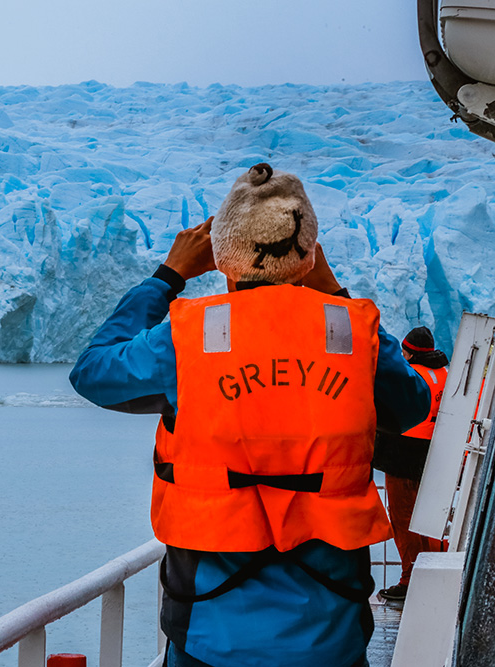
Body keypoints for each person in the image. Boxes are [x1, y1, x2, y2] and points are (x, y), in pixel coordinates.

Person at [69, 163, 431, 667]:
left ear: (223, 259)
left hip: (210, 636)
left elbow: (92, 372)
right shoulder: (349, 332)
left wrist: (167, 277)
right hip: (332, 636)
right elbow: (411, 404)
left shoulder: (188, 338)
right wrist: (334, 294)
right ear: (308, 255)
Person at [372, 326, 449, 601]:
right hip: (436, 458)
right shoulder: (444, 374)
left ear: (410, 352)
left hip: (403, 457)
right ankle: (437, 572)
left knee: (404, 520)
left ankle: (410, 577)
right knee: (433, 520)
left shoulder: (413, 377)